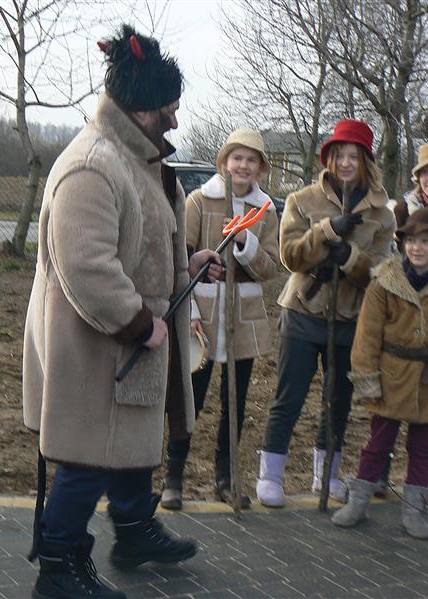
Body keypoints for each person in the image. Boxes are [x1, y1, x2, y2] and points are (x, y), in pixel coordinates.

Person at [22, 25, 213, 599]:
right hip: (96, 346)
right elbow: (87, 267)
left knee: (128, 441)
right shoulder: (93, 165)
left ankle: (132, 531)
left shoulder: (134, 158)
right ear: (141, 107)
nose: (175, 119)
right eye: (169, 108)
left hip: (128, 346)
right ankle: (58, 564)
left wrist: (187, 263)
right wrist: (139, 323)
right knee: (87, 458)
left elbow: (142, 240)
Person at [255, 119, 395, 508]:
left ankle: (327, 474)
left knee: (338, 401)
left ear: (366, 161)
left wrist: (350, 258)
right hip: (303, 310)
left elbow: (383, 272)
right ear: (329, 158)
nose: (346, 163)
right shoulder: (302, 200)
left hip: (350, 318)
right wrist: (328, 231)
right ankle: (270, 475)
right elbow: (290, 257)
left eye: (354, 156)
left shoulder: (383, 213)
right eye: (339, 155)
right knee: (289, 397)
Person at [161, 129, 279, 510]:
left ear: (260, 167)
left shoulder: (266, 210)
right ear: (224, 162)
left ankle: (226, 478)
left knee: (236, 401)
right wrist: (191, 312)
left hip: (243, 316)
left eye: (251, 160)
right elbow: (180, 260)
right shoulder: (199, 200)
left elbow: (271, 268)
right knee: (191, 398)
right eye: (237, 158)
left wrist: (245, 243)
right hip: (203, 315)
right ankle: (173, 476)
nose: (243, 166)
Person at [331, 207, 428, 539]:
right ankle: (359, 502)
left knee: (423, 448)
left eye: (426, 241)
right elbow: (367, 335)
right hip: (391, 376)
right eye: (411, 240)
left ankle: (413, 509)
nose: (417, 248)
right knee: (378, 442)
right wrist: (367, 379)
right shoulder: (383, 283)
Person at [376, 140, 428, 497]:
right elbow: (388, 255)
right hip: (401, 311)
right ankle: (377, 474)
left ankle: (423, 478)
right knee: (389, 400)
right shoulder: (401, 208)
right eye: (427, 172)